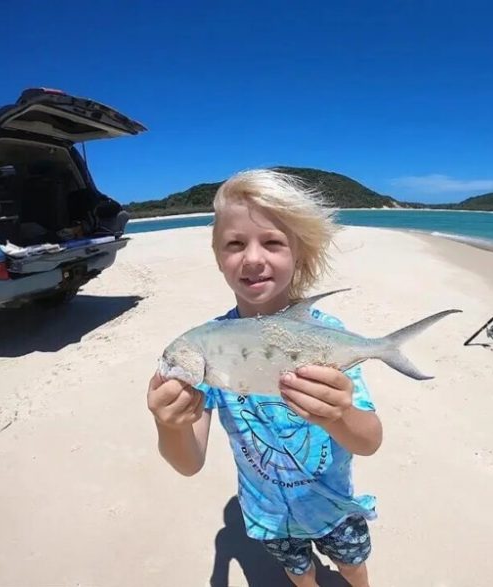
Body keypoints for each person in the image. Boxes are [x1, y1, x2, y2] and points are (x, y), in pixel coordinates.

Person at [146, 169, 382, 587]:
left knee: (352, 565)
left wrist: (337, 415)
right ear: (219, 257)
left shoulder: (328, 333)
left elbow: (369, 441)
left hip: (333, 505)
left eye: (272, 242)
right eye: (235, 244)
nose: (253, 258)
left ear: (299, 255)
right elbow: (188, 463)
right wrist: (169, 424)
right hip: (267, 514)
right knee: (297, 570)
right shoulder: (208, 344)